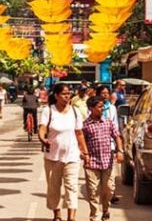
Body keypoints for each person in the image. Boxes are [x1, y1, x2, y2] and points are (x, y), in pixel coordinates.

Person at [39, 83, 89, 221]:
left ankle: (71, 218)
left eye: (68, 94)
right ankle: (57, 215)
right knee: (54, 188)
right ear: (56, 96)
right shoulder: (48, 111)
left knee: (71, 187)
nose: (67, 96)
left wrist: (85, 152)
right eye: (64, 94)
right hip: (52, 157)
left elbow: (79, 133)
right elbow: (42, 127)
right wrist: (42, 138)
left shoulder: (75, 111)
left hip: (72, 156)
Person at [83, 96, 124, 221]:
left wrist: (120, 151)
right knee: (93, 190)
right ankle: (94, 215)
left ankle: (105, 209)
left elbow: (117, 136)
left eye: (103, 106)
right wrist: (84, 154)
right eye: (100, 107)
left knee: (109, 188)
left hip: (108, 161)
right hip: (92, 162)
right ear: (91, 108)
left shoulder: (108, 122)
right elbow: (82, 141)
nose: (103, 109)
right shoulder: (85, 125)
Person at [96, 85, 120, 204]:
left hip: (109, 144)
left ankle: (111, 193)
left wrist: (118, 146)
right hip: (96, 144)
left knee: (110, 171)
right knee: (98, 171)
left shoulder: (112, 108)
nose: (105, 95)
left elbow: (115, 126)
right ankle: (101, 193)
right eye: (102, 93)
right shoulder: (92, 108)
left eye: (107, 93)